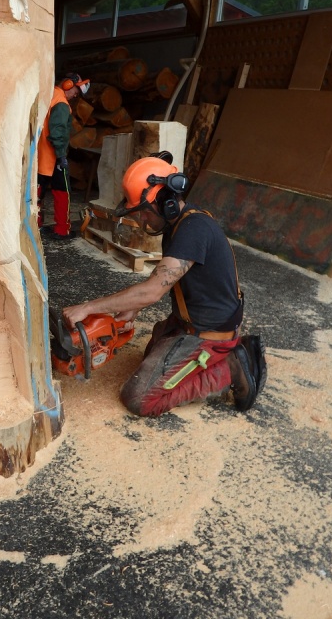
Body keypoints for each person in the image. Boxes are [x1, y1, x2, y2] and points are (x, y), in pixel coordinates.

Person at [62, 153, 267, 416]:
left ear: (166, 201)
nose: (142, 220)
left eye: (144, 212)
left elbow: (152, 291)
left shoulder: (194, 229)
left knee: (139, 398)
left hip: (209, 334)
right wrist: (134, 306)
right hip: (190, 321)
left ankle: (229, 367)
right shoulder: (180, 224)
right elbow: (168, 278)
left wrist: (88, 308)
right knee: (150, 354)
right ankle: (199, 354)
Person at [37, 72, 90, 240]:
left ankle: (36, 225)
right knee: (63, 192)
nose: (75, 95)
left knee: (38, 192)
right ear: (68, 84)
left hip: (41, 156)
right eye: (75, 91)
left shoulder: (49, 94)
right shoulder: (61, 103)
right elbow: (57, 131)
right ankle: (62, 230)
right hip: (53, 156)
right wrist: (61, 156)